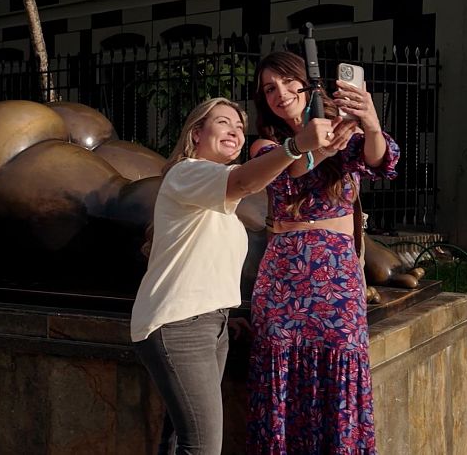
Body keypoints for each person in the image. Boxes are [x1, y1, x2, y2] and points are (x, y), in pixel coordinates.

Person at [131, 97, 334, 455]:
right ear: (196, 134)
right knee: (202, 446)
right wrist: (296, 145)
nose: (235, 131)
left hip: (209, 323)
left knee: (179, 440)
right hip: (180, 325)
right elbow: (244, 181)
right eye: (223, 122)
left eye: (240, 127)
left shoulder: (213, 192)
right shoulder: (187, 172)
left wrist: (225, 313)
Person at [245, 51, 400, 454]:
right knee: (282, 377)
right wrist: (319, 146)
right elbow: (292, 171)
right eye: (269, 89)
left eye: (286, 81)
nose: (280, 93)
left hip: (338, 280)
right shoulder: (267, 146)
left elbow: (379, 160)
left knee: (342, 371)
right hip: (283, 282)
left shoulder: (344, 130)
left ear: (307, 83)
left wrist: (370, 122)